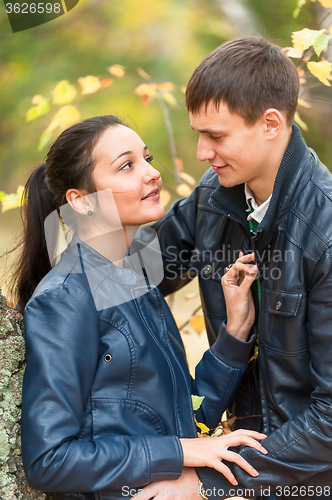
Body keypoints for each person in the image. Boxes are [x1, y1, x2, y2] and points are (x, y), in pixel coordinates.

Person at [11, 115, 267, 500]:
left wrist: (235, 331)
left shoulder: (136, 281)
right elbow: (50, 460)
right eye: (127, 165)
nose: (151, 173)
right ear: (81, 202)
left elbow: (184, 418)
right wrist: (178, 451)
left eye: (147, 158)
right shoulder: (65, 300)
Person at [141, 36, 332, 499]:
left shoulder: (324, 231)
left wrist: (205, 482)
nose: (203, 152)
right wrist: (80, 201)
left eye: (217, 136)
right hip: (239, 465)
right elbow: (129, 277)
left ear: (271, 123)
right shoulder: (213, 198)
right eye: (198, 135)